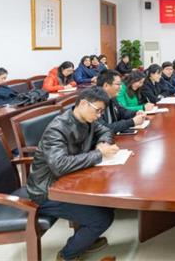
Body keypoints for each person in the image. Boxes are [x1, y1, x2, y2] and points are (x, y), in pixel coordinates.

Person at [27, 87, 118, 261]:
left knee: (106, 201)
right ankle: (66, 255)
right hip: (47, 190)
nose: (99, 115)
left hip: (69, 181)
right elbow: (59, 165)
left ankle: (85, 240)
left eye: (102, 111)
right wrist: (98, 154)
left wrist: (102, 143)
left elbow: (105, 131)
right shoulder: (57, 129)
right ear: (83, 104)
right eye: (98, 110)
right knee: (102, 218)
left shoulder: (87, 119)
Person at [97, 70, 145, 134]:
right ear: (106, 85)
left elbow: (122, 111)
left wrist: (136, 113)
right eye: (118, 84)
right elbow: (104, 128)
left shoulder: (112, 98)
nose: (121, 87)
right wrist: (131, 122)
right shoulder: (95, 103)